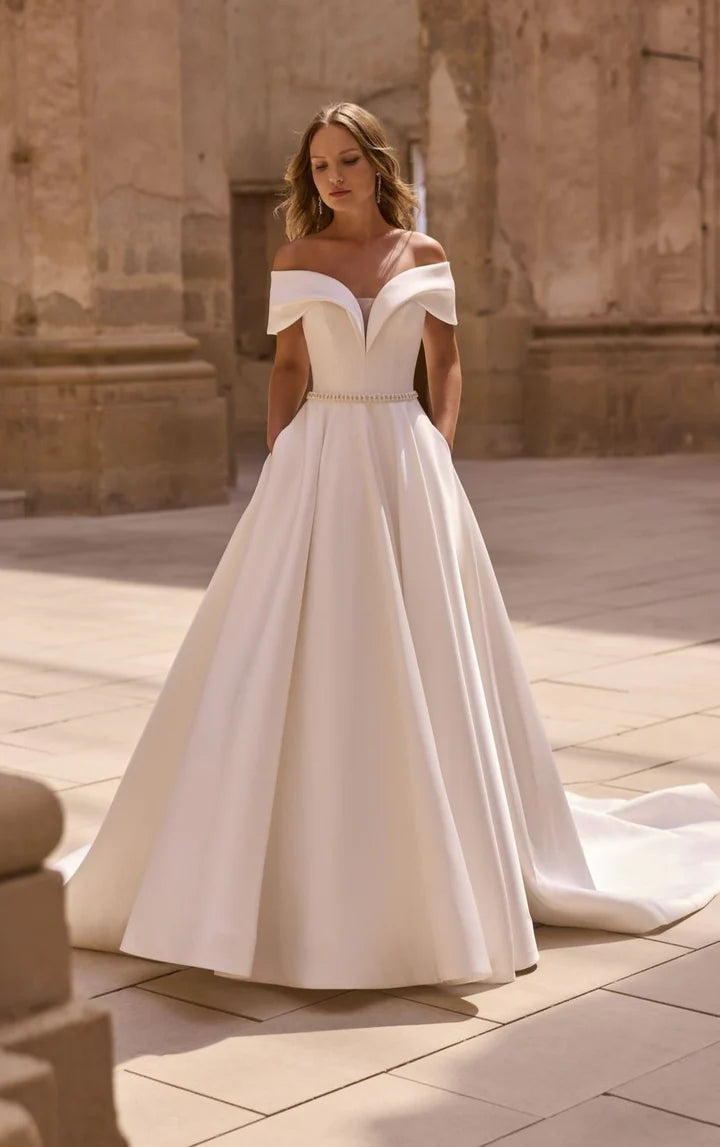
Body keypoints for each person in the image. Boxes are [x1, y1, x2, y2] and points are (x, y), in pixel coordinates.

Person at [58, 102, 720, 991]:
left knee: (429, 646)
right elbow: (289, 368)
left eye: (347, 161)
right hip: (320, 455)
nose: (332, 177)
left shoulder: (426, 255)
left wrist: (437, 449)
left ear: (378, 164)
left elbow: (445, 361)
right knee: (308, 645)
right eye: (319, 164)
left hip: (406, 456)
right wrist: (281, 459)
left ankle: (445, 855)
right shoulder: (296, 258)